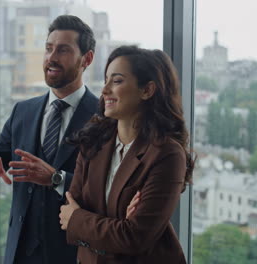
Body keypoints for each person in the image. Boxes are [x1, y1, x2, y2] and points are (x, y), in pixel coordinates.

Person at [0, 15, 98, 264]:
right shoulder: (23, 111)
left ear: (87, 59)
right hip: (20, 254)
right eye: (48, 49)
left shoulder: (104, 118)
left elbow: (105, 191)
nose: (51, 58)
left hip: (74, 254)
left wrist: (56, 179)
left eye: (63, 50)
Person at [59, 45, 195, 263]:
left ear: (147, 90)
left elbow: (135, 238)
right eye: (105, 80)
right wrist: (116, 226)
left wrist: (81, 222)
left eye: (117, 81)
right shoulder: (93, 141)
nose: (104, 90)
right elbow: (68, 215)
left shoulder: (167, 154)